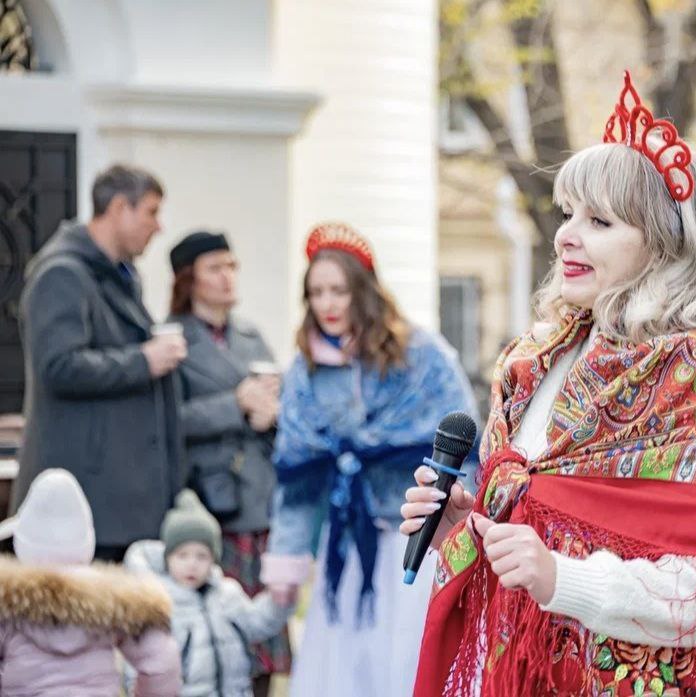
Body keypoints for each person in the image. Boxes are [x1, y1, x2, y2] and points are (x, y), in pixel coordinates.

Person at [406, 71, 696, 696]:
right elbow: (535, 532)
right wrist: (467, 524)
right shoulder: (533, 362)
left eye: (600, 221)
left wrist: (562, 577)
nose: (567, 236)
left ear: (667, 245)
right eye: (568, 213)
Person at [261, 222, 477, 697]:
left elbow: (466, 445)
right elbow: (297, 476)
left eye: (338, 290)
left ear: (363, 289)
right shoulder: (306, 371)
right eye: (316, 292)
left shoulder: (422, 356)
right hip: (346, 543)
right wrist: (287, 558)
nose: (328, 304)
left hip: (414, 538)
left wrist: (465, 525)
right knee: (343, 669)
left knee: (404, 661)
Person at [14, 164, 186, 562]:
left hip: (119, 500)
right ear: (120, 207)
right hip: (90, 500)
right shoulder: (62, 274)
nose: (158, 227)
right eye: (151, 212)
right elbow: (58, 366)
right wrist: (143, 360)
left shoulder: (119, 276)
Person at [168, 230, 290, 693]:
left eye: (232, 266)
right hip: (210, 507)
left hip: (262, 500)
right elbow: (166, 420)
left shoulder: (250, 336)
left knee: (262, 642)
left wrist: (272, 414)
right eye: (215, 267)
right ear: (189, 278)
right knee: (214, 639)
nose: (227, 277)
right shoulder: (172, 340)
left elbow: (279, 405)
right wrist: (234, 405)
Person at [0, 469, 181, 696]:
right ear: (87, 537)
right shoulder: (116, 601)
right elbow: (161, 662)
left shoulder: (8, 600)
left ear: (22, 539)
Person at [125, 491, 293, 697]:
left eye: (202, 556)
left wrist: (279, 601)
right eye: (182, 555)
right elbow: (139, 661)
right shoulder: (158, 604)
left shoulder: (227, 594)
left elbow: (258, 623)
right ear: (167, 558)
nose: (192, 564)